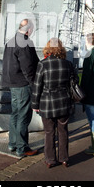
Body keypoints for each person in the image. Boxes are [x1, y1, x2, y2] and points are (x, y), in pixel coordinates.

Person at [32, 38, 77, 168]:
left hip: (47, 104)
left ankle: (51, 160)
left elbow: (37, 86)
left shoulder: (43, 64)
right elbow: (74, 82)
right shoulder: (67, 64)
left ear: (48, 48)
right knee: (63, 131)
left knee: (49, 132)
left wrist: (35, 105)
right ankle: (64, 158)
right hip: (64, 102)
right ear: (61, 48)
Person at [2, 19, 39, 157]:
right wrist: (34, 84)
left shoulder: (11, 40)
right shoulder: (25, 42)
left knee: (15, 114)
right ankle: (22, 147)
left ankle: (13, 143)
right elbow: (28, 67)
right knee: (23, 116)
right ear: (28, 29)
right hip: (23, 84)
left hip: (12, 83)